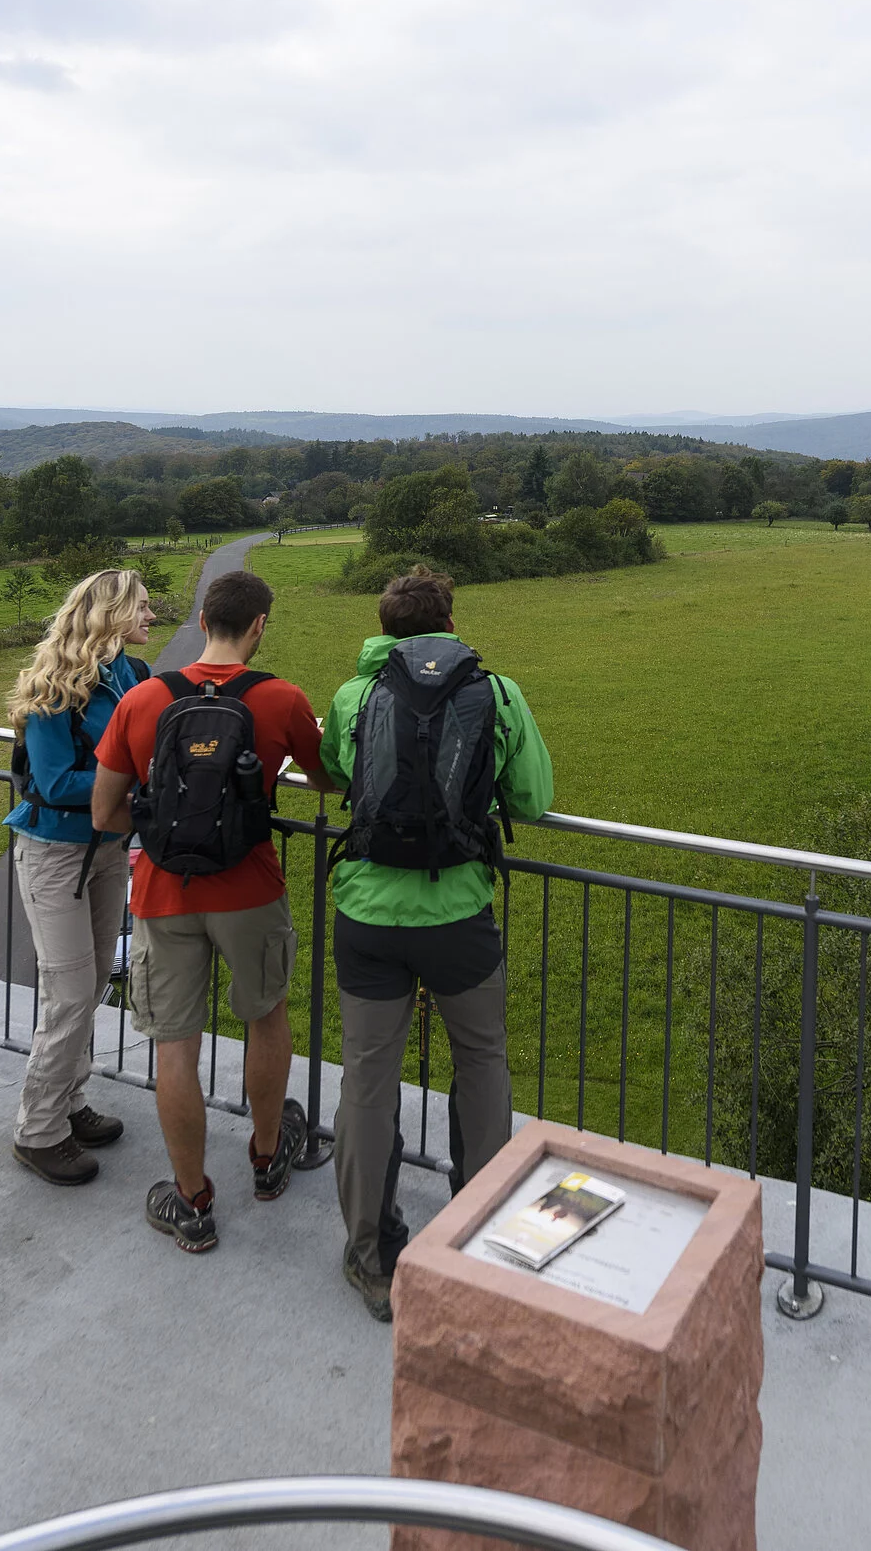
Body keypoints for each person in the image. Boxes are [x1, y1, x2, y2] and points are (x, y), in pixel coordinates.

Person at [321, 565, 553, 1321]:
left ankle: (370, 1256)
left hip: (367, 916)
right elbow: (534, 799)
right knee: (482, 1061)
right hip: (458, 914)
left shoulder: (356, 695)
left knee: (367, 1078)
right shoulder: (497, 692)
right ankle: (480, 1241)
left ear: (384, 627)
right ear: (450, 622)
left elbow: (335, 774)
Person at [89, 569, 334, 1253]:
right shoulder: (280, 698)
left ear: (201, 619)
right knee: (266, 1019)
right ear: (259, 626)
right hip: (251, 889)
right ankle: (266, 1157)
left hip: (164, 893)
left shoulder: (143, 700)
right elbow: (326, 779)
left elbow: (105, 811)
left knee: (176, 1046)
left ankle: (191, 1200)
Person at [2, 568, 154, 1186]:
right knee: (67, 992)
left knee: (89, 986)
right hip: (54, 854)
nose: (153, 614)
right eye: (143, 606)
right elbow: (60, 781)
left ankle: (69, 1102)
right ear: (111, 613)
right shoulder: (53, 688)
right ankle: (37, 1131)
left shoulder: (134, 677)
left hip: (110, 848)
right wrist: (136, 782)